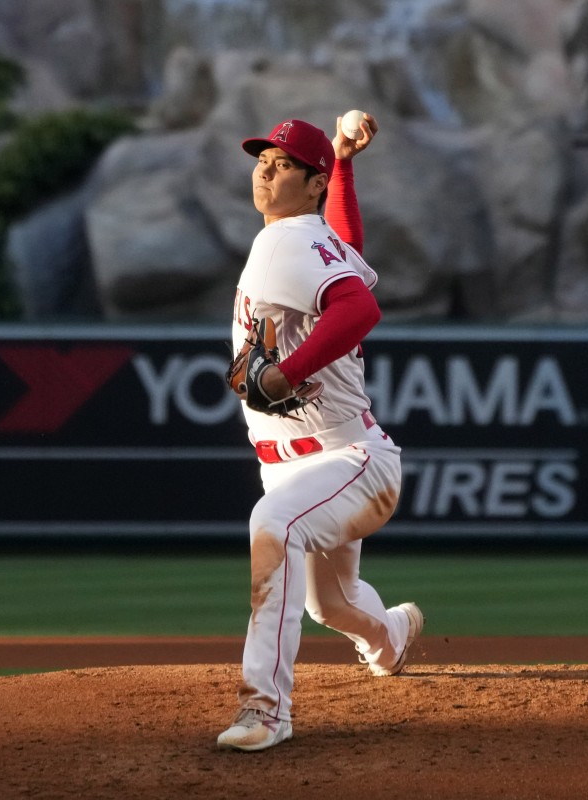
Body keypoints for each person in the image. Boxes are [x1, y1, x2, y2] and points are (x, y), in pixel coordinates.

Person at [216, 114, 423, 752]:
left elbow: (361, 307)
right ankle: (390, 635)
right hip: (300, 461)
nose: (265, 170)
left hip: (350, 456)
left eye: (282, 165)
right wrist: (344, 163)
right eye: (262, 160)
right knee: (329, 605)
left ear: (312, 185)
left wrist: (286, 375)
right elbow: (349, 256)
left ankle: (265, 711)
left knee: (273, 525)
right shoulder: (306, 238)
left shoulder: (289, 242)